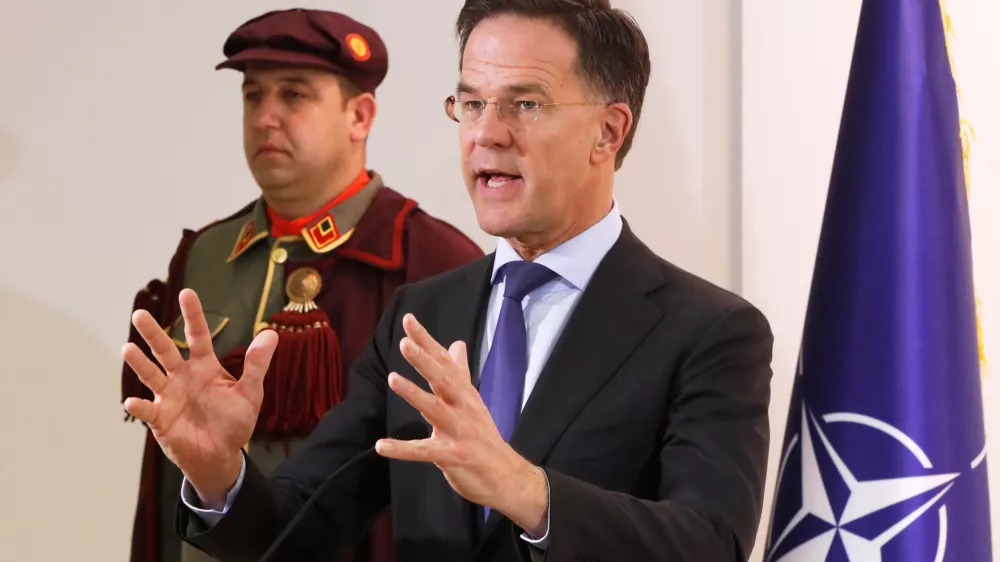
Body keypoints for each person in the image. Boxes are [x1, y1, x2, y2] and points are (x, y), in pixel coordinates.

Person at [122, 0, 773, 560]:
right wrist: (220, 478)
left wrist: (525, 490)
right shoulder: (422, 312)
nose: (487, 134)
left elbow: (711, 543)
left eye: (525, 103)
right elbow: (302, 532)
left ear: (609, 130)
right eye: (470, 103)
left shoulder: (709, 331)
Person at [119, 8, 484, 562]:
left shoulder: (429, 259)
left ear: (360, 116)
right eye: (252, 96)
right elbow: (166, 473)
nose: (266, 117)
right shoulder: (205, 256)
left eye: (293, 96)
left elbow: (454, 485)